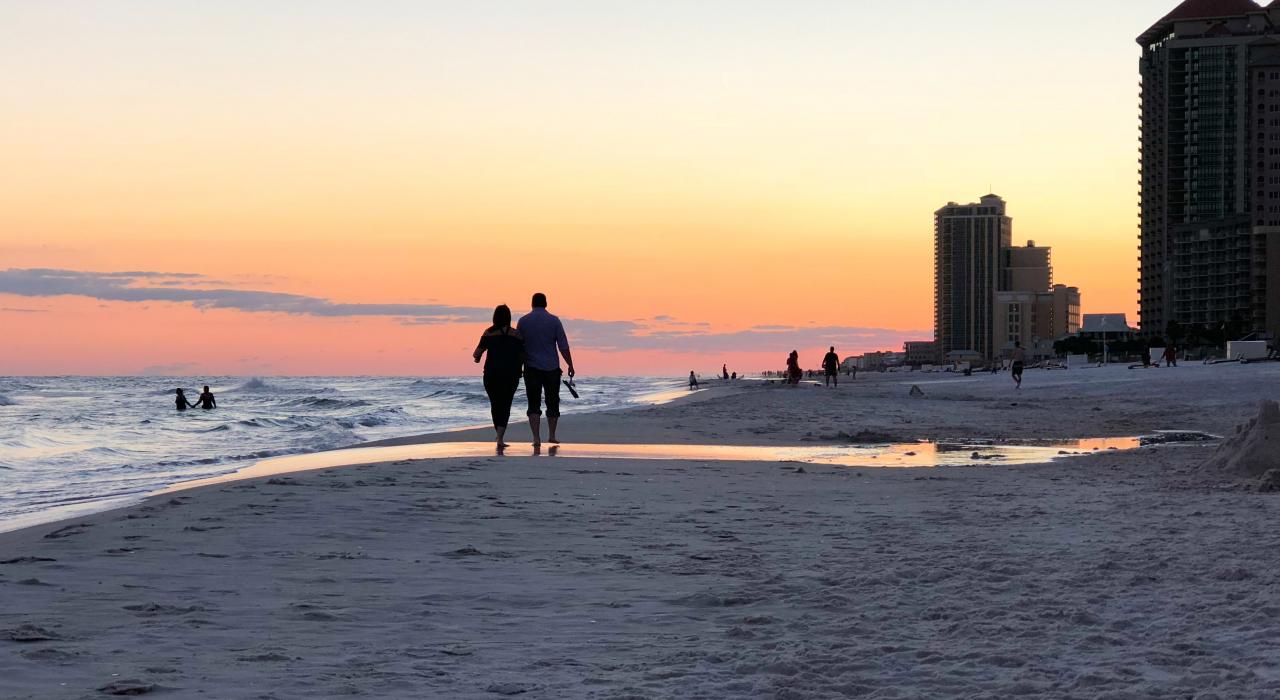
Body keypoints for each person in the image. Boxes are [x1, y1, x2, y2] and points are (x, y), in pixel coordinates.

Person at [516, 293, 574, 447]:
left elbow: (518, 346)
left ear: (532, 304)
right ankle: (552, 435)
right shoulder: (554, 321)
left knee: (533, 404)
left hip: (531, 368)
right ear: (546, 303)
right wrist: (570, 364)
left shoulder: (523, 321)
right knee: (552, 402)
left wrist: (518, 367)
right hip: (551, 368)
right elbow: (563, 346)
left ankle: (536, 438)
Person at [473, 304, 525, 448]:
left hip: (492, 374)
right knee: (506, 404)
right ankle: (500, 437)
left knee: (495, 404)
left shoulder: (489, 333)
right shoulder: (516, 334)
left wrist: (477, 358)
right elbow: (522, 355)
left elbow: (477, 353)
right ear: (509, 317)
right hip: (511, 375)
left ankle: (499, 435)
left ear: (495, 317)